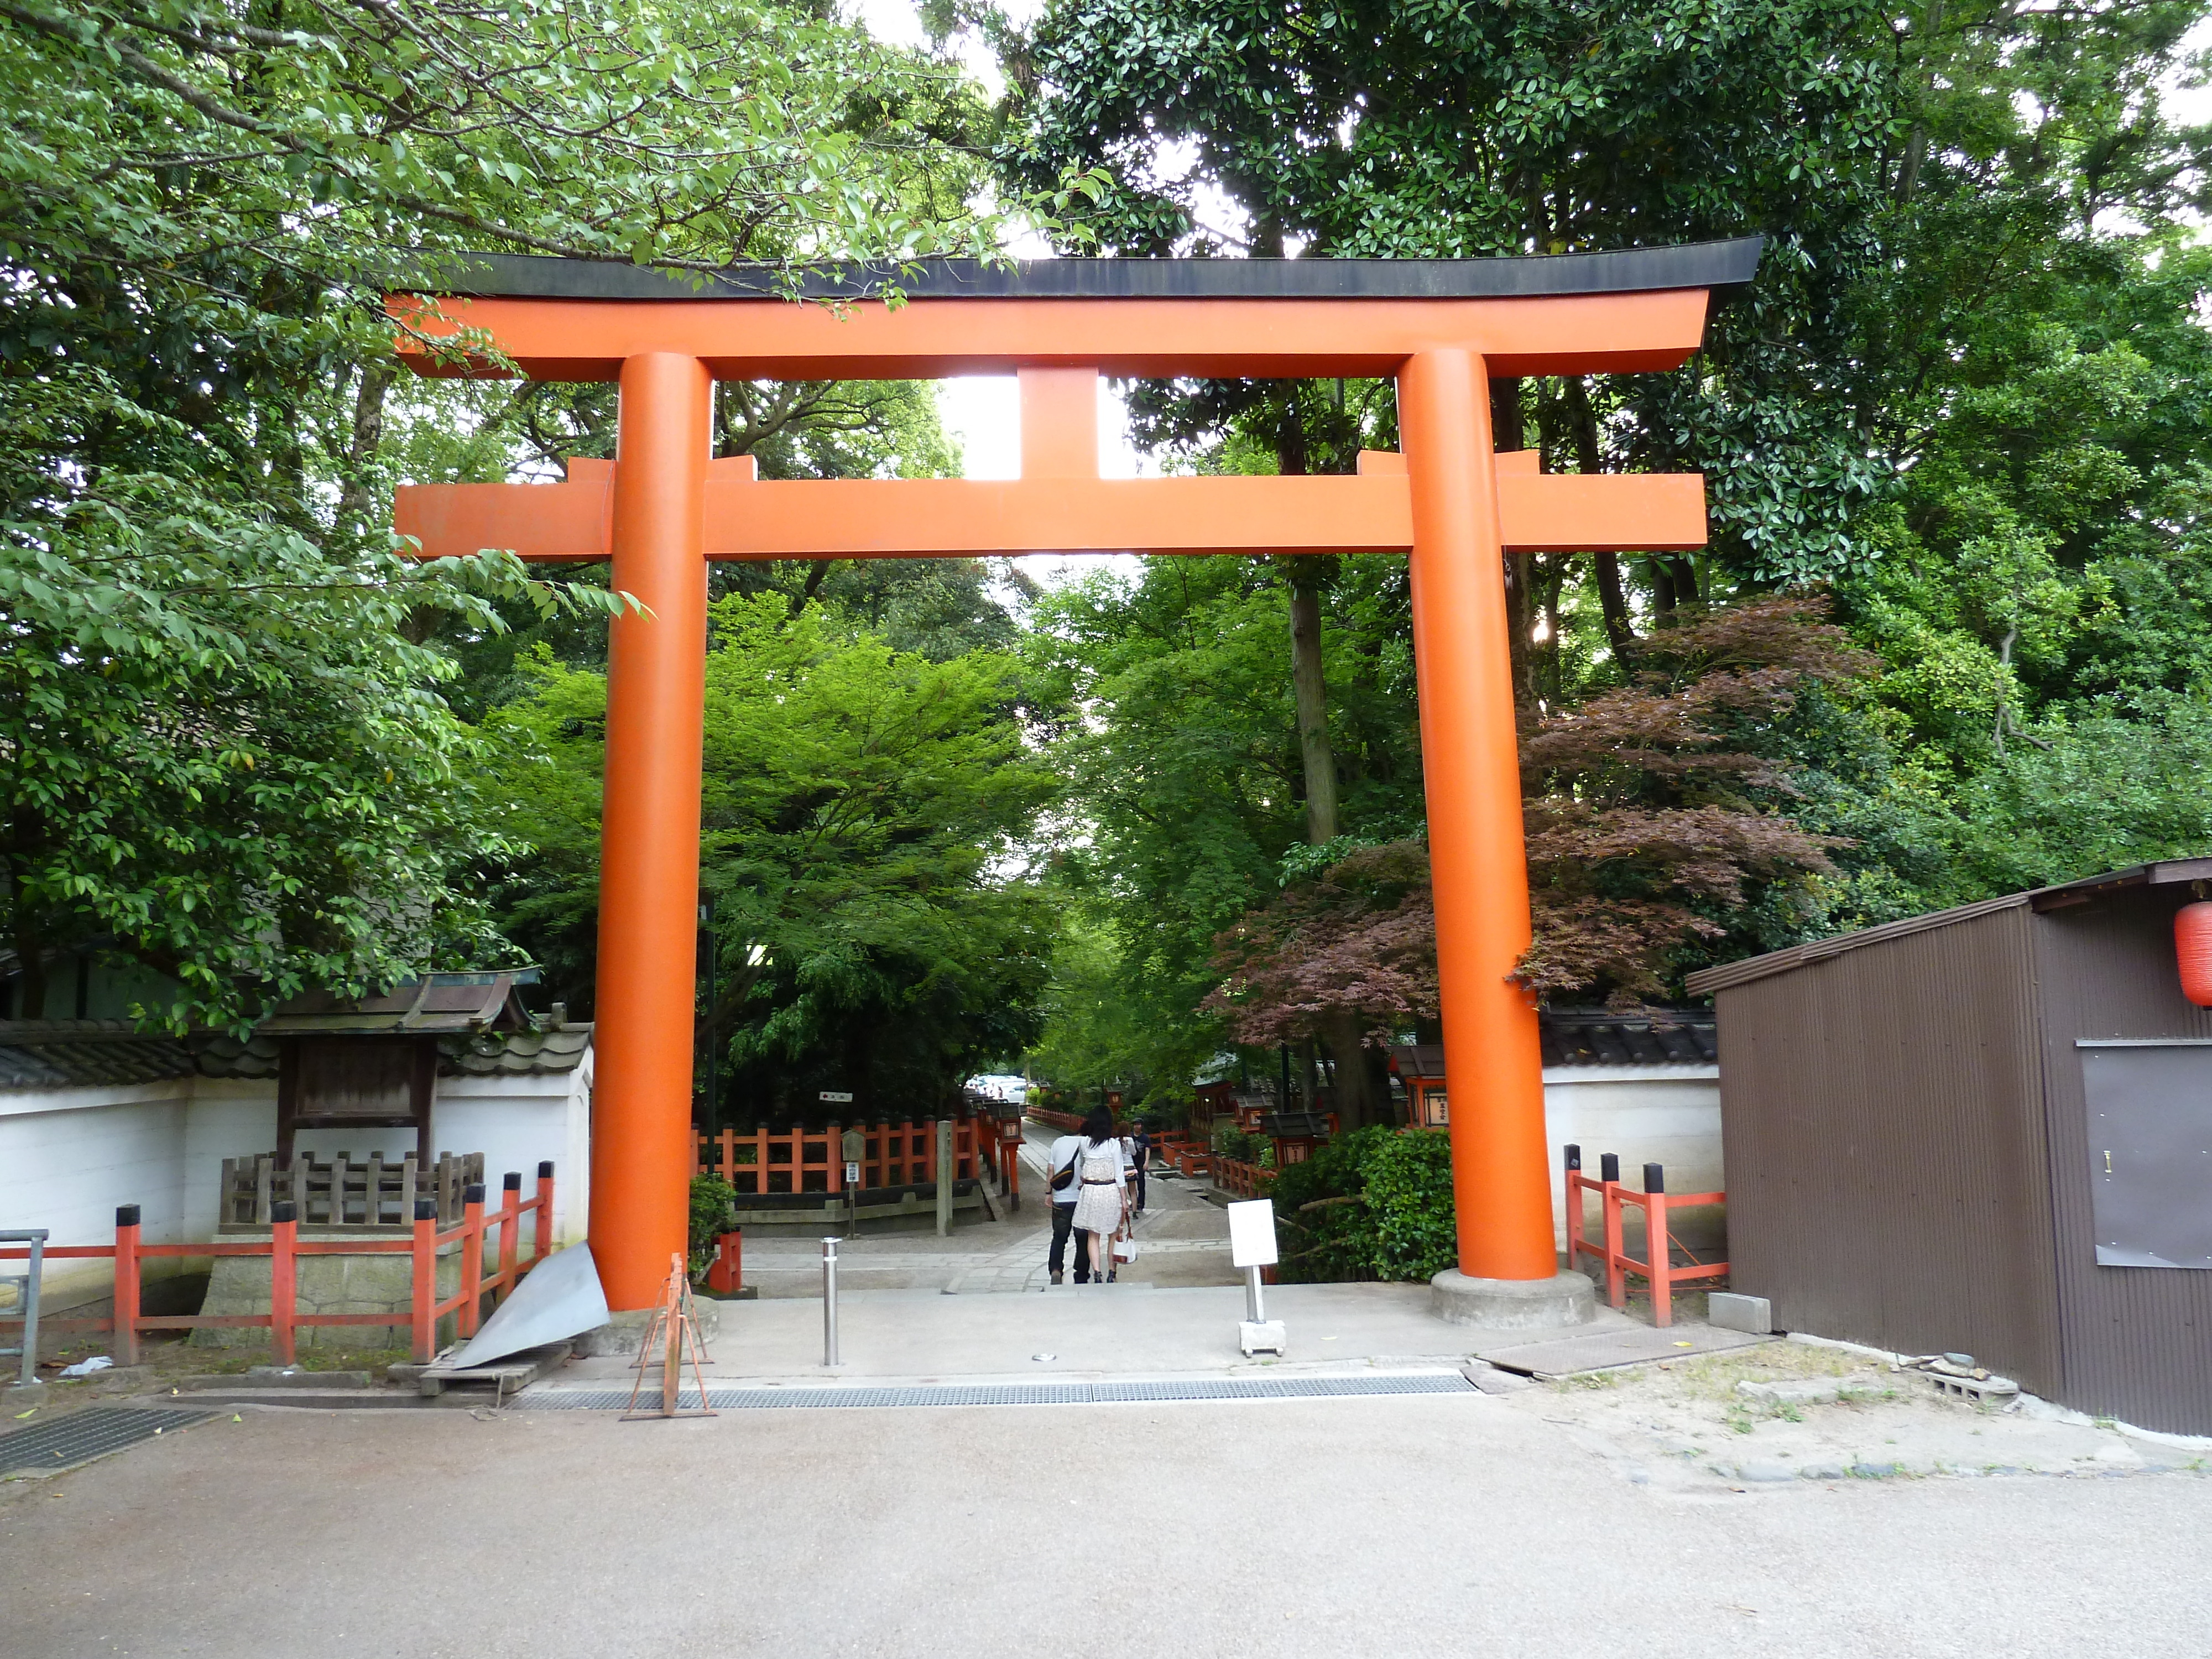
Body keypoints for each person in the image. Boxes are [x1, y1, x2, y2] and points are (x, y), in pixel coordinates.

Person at [1070, 1106, 1131, 1284]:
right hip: (1110, 1190)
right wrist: (1124, 1199)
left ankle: (1097, 1273)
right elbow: (1119, 1174)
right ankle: (1112, 1271)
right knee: (1113, 1233)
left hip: (1090, 1191)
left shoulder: (1084, 1144)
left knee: (1093, 1235)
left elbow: (1082, 1167)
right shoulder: (1114, 1145)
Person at [1046, 1126, 1091, 1285]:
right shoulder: (1088, 1143)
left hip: (1060, 1199)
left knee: (1059, 1237)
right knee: (1083, 1239)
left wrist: (1048, 1193)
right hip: (1082, 1199)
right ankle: (1081, 1272)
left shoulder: (1058, 1142)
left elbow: (1051, 1169)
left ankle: (1056, 1269)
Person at [1129, 1122, 1152, 1217]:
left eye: (1139, 1124)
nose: (1137, 1126)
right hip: (1131, 1162)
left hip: (1141, 1162)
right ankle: (1134, 1202)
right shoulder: (1130, 1137)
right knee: (1130, 1184)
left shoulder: (1145, 1138)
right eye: (1135, 1124)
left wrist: (1147, 1162)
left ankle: (1141, 1204)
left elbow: (1147, 1150)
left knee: (1141, 1184)